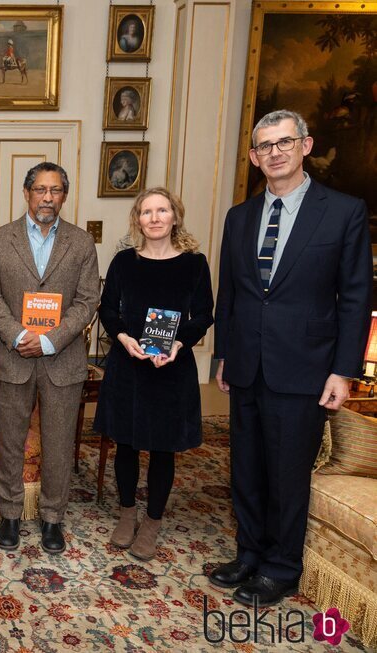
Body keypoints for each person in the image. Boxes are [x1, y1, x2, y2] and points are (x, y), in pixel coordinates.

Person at [210, 109, 372, 606]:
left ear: (306, 145)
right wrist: (223, 353)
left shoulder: (343, 211)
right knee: (246, 466)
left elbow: (355, 296)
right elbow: (231, 293)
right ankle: (249, 553)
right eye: (265, 146)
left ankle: (281, 567)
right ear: (254, 157)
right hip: (246, 363)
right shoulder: (239, 217)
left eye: (284, 142)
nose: (274, 152)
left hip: (305, 367)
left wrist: (343, 370)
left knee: (286, 471)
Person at [0, 162, 100, 554]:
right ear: (27, 193)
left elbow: (87, 301)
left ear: (65, 196)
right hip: (12, 358)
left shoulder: (82, 243)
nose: (48, 197)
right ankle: (10, 514)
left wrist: (49, 340)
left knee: (59, 443)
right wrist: (18, 335)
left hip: (62, 360)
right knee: (9, 440)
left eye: (56, 190)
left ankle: (52, 518)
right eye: (41, 190)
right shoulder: (0, 239)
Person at [93, 187, 213, 561]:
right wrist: (123, 338)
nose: (155, 218)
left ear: (175, 216)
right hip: (128, 364)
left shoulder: (194, 264)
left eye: (162, 210)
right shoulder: (124, 262)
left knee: (163, 448)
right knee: (126, 443)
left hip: (171, 368)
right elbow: (107, 309)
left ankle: (153, 522)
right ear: (138, 220)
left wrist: (179, 344)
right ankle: (128, 512)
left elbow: (204, 315)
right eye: (147, 212)